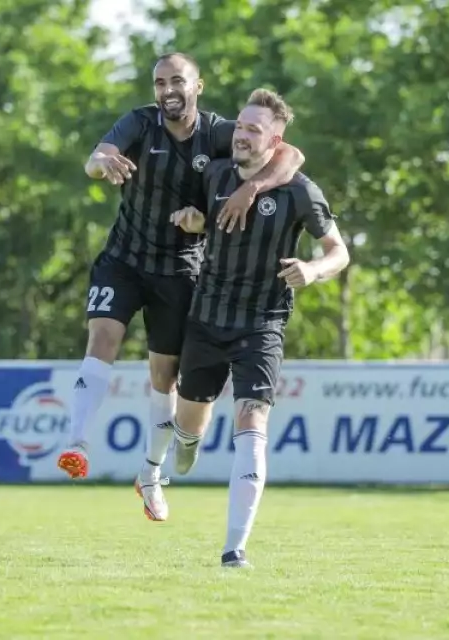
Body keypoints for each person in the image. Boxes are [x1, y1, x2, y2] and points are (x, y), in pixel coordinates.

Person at [56, 53, 305, 525]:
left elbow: (291, 155)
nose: (167, 89)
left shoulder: (217, 132)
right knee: (102, 337)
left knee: (164, 375)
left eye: (177, 81)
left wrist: (249, 191)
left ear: (198, 86)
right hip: (123, 260)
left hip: (179, 269)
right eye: (159, 82)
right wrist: (100, 162)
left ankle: (150, 475)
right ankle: (77, 442)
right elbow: (97, 158)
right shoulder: (139, 123)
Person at [169, 88, 350, 568]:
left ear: (275, 139)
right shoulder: (216, 173)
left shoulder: (300, 191)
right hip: (206, 319)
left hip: (262, 323)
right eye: (240, 126)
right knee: (188, 429)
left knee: (251, 421)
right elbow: (202, 219)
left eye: (253, 129)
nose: (242, 135)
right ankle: (186, 442)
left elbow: (340, 251)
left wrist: (312, 270)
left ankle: (234, 549)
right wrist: (193, 222)